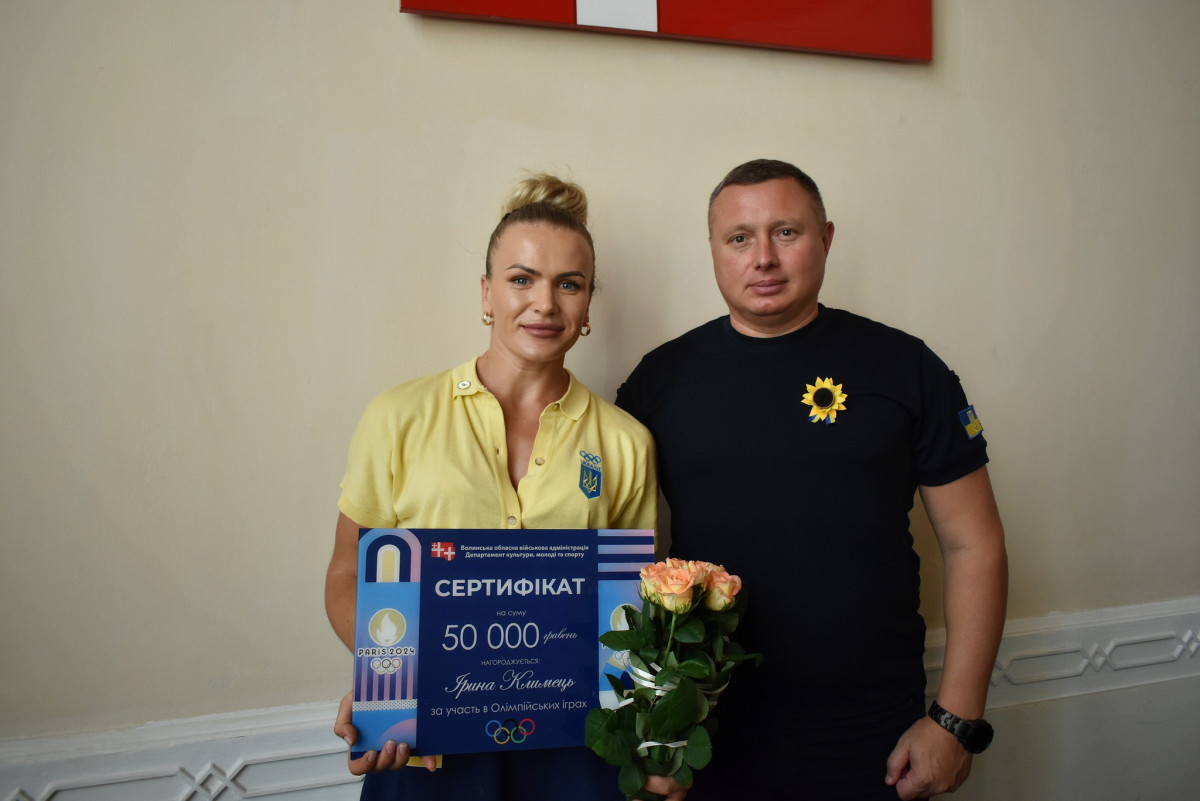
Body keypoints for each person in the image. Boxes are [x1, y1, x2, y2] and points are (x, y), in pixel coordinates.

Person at [615, 159, 1008, 801]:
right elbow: (611, 548)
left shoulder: (906, 367)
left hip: (874, 734)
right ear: (713, 249)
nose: (763, 258)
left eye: (786, 232)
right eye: (739, 238)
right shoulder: (659, 381)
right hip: (705, 731)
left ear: (825, 239)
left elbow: (974, 543)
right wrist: (647, 730)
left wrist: (955, 722)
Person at [324, 173, 673, 800]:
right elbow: (348, 575)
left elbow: (632, 611)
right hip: (427, 742)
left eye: (569, 284)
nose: (545, 303)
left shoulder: (626, 442)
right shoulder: (398, 417)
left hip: (575, 751)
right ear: (487, 293)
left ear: (588, 306)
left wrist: (653, 737)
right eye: (521, 279)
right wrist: (389, 680)